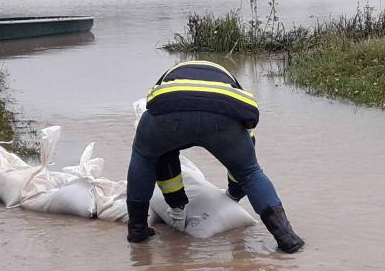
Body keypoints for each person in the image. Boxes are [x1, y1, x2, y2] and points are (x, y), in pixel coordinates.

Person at [126, 60, 304, 253]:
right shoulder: (230, 87)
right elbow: (246, 147)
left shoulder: (169, 78)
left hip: (170, 114)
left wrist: (175, 203)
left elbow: (159, 153)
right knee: (250, 172)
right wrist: (234, 193)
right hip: (222, 117)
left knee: (145, 156)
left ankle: (137, 230)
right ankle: (287, 238)